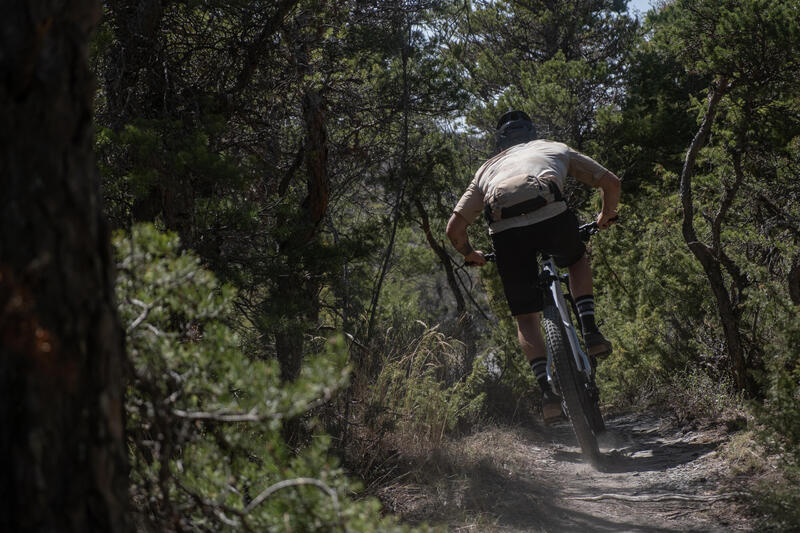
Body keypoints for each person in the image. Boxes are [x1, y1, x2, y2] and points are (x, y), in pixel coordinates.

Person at [445, 110, 621, 422]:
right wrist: (606, 216)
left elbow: (454, 231)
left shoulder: (486, 170)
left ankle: (547, 391)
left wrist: (471, 253)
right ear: (532, 134)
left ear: (500, 143)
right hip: (553, 218)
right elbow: (611, 182)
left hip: (506, 236)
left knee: (526, 317)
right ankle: (591, 330)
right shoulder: (553, 148)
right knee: (576, 259)